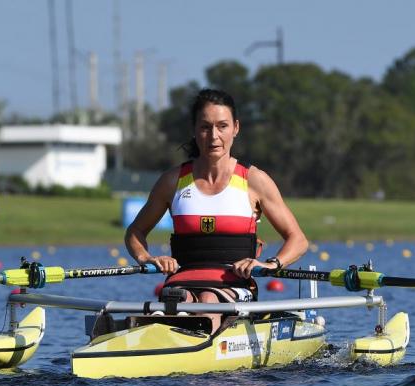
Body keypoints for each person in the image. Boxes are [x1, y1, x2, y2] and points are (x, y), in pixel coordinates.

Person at [125, 88, 308, 332]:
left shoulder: (255, 181)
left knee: (209, 301)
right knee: (179, 299)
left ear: (236, 128)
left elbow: (298, 239)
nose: (214, 136)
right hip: (182, 284)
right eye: (205, 127)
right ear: (194, 130)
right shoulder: (172, 181)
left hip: (235, 286)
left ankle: (197, 357)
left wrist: (271, 264)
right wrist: (147, 258)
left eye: (222, 126)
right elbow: (135, 231)